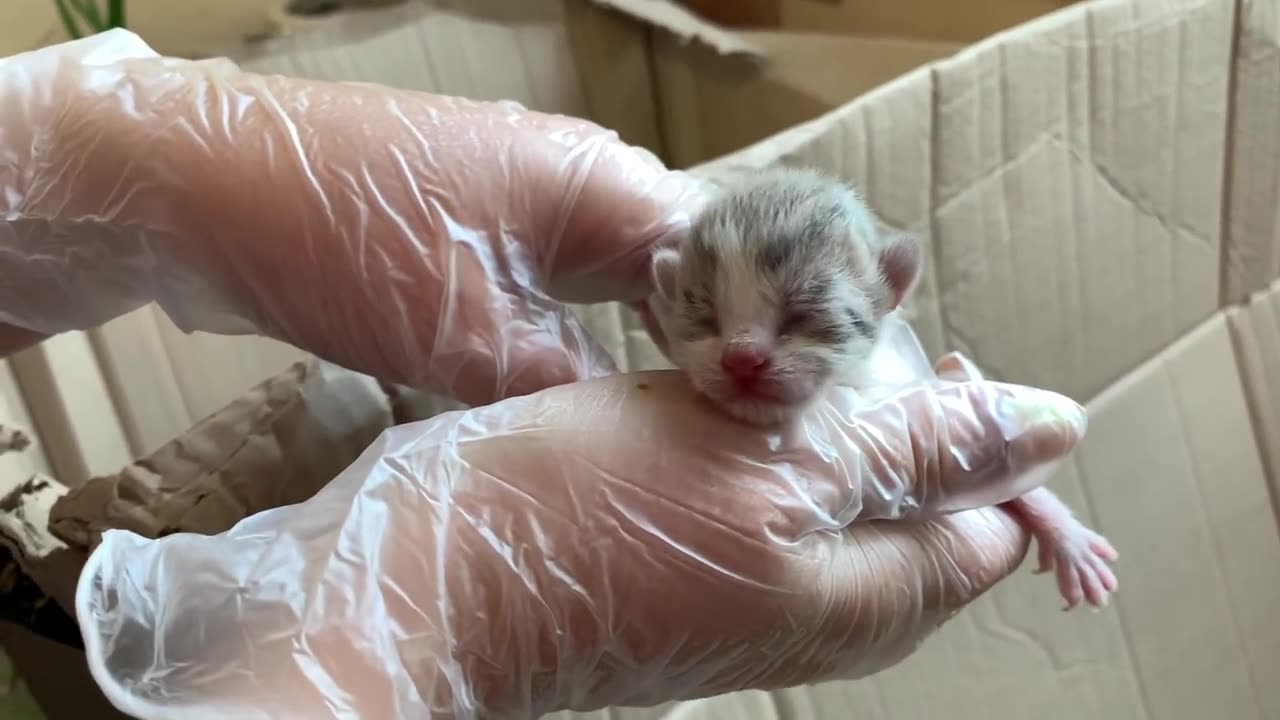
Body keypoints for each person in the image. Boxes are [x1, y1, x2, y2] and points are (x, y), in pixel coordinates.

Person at [0, 30, 1086, 719]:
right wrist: (450, 603)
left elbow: (987, 462)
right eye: (702, 317)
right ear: (661, 297)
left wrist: (111, 149)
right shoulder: (645, 386)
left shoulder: (897, 385)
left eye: (804, 321)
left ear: (886, 293)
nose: (746, 352)